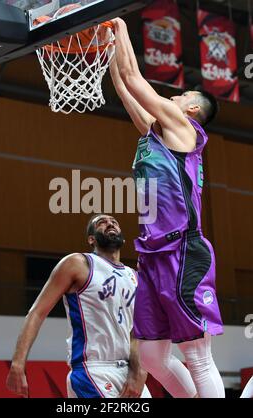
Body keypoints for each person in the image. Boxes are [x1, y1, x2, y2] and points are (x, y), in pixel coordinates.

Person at [109, 18, 225, 398]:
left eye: (178, 97)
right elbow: (126, 85)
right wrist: (108, 47)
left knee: (198, 356)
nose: (171, 99)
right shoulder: (154, 133)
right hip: (153, 254)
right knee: (154, 357)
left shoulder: (183, 127)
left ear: (191, 108)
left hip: (182, 250)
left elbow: (135, 77)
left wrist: (120, 25)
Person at [6, 214, 150, 398]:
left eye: (114, 222)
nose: (110, 223)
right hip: (93, 370)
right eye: (101, 223)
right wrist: (18, 362)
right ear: (91, 239)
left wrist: (138, 372)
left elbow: (135, 333)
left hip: (128, 371)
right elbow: (37, 313)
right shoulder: (78, 263)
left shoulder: (134, 277)